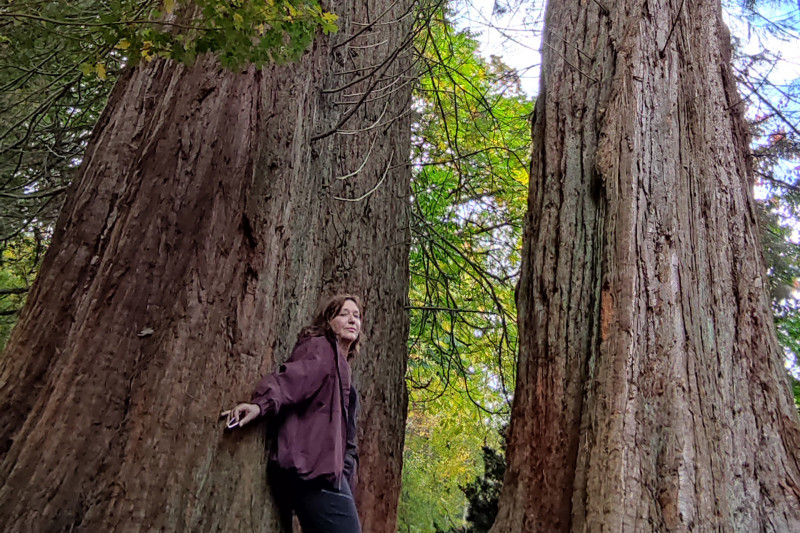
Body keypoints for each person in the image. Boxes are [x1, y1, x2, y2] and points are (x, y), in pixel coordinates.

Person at [222, 295, 363, 533]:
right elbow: (294, 380)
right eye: (343, 314)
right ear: (328, 321)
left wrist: (346, 475)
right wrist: (260, 405)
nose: (352, 320)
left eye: (357, 316)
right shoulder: (321, 348)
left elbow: (346, 438)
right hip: (311, 471)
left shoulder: (342, 368)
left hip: (329, 475)